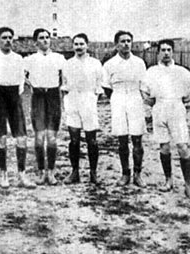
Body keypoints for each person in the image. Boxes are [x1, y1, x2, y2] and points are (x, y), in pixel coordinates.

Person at [141, 39, 190, 197]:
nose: (166, 53)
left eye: (169, 49)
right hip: (159, 108)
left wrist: (184, 105)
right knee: (164, 147)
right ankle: (168, 180)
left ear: (173, 51)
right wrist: (151, 103)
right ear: (158, 52)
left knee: (183, 146)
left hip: (176, 107)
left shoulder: (182, 72)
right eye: (163, 50)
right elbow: (144, 90)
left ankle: (188, 183)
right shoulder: (151, 72)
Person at [0, 26, 36, 189]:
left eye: (10, 37)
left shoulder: (18, 58)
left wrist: (17, 94)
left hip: (14, 95)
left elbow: (21, 79)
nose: (8, 40)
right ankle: (3, 174)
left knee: (21, 137)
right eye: (4, 37)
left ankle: (22, 174)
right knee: (1, 137)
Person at [103, 31, 147, 187]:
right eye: (122, 41)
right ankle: (125, 173)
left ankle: (138, 174)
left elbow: (144, 84)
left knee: (137, 138)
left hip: (135, 98)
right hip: (118, 98)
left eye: (129, 41)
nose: (126, 44)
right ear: (116, 44)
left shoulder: (139, 63)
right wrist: (117, 99)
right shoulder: (109, 65)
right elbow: (107, 88)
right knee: (122, 139)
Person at [24, 28, 65, 185]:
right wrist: (31, 85)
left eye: (47, 37)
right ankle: (41, 171)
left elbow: (65, 75)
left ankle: (51, 172)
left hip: (53, 96)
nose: (45, 40)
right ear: (36, 42)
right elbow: (21, 74)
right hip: (38, 97)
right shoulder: (30, 59)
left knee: (52, 138)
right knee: (40, 137)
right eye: (41, 38)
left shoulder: (59, 58)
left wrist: (60, 86)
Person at [61, 33, 104, 185]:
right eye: (76, 44)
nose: (79, 47)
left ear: (87, 45)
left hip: (88, 101)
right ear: (73, 46)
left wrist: (92, 100)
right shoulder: (68, 64)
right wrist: (68, 101)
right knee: (74, 140)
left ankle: (93, 173)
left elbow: (99, 85)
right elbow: (64, 85)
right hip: (72, 101)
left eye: (81, 44)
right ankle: (75, 172)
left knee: (91, 140)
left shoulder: (95, 63)